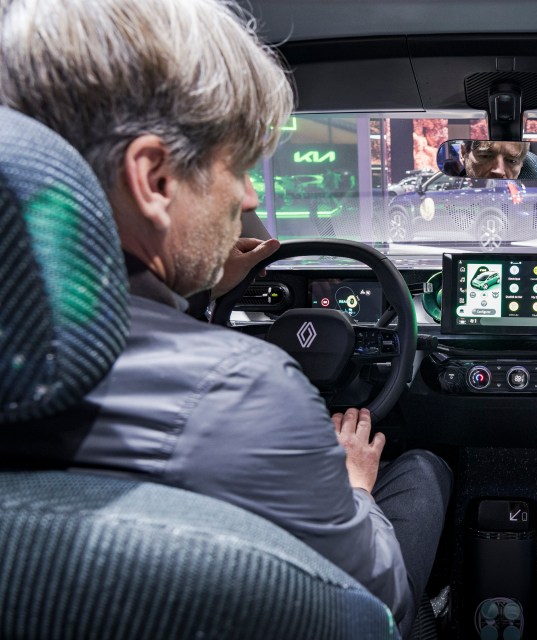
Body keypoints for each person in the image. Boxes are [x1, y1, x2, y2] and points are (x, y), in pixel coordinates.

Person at [0, 0, 452, 636]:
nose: (247, 198)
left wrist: (201, 299)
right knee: (423, 472)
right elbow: (381, 598)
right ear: (154, 180)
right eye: (236, 168)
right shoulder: (242, 391)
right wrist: (351, 486)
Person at [460, 140, 530, 179]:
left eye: (512, 161)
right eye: (485, 156)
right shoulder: (450, 198)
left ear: (521, 164)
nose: (499, 171)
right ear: (463, 154)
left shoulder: (529, 201)